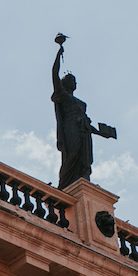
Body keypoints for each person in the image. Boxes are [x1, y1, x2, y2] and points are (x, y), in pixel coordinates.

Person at [51, 38, 93, 188]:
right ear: (66, 82)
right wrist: (58, 54)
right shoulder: (62, 94)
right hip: (70, 127)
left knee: (84, 159)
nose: (76, 83)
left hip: (84, 131)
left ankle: (83, 182)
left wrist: (102, 132)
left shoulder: (80, 102)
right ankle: (63, 185)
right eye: (73, 81)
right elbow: (54, 73)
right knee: (72, 153)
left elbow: (87, 121)